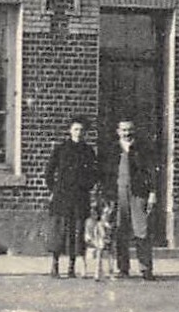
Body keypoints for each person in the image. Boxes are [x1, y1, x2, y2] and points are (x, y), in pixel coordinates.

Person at [101, 118, 158, 280]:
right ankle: (123, 268)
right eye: (123, 130)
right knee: (120, 231)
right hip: (118, 194)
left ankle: (145, 268)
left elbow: (151, 171)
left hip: (138, 193)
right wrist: (106, 195)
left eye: (129, 130)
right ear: (118, 131)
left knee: (142, 230)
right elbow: (105, 174)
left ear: (134, 131)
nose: (127, 133)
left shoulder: (142, 149)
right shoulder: (112, 150)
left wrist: (152, 193)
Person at [43, 116, 98, 277]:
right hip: (62, 197)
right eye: (75, 129)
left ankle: (72, 267)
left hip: (80, 197)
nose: (78, 133)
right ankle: (55, 265)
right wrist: (54, 189)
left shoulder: (88, 151)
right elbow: (49, 172)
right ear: (70, 130)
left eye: (81, 130)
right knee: (59, 232)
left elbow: (94, 173)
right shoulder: (60, 149)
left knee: (77, 232)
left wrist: (87, 186)